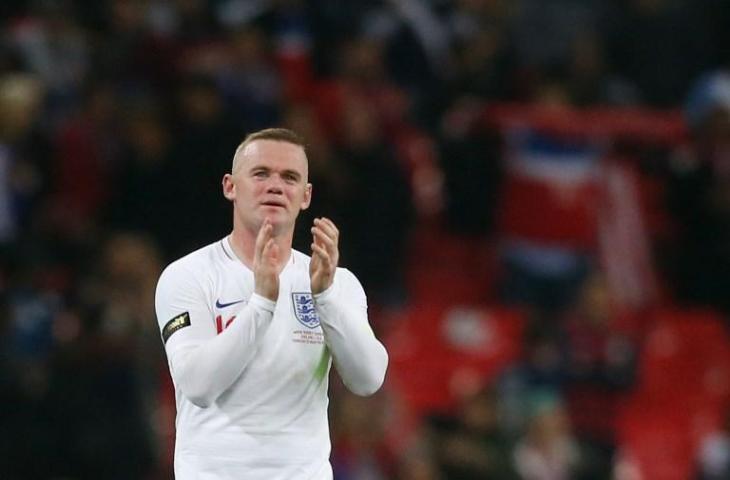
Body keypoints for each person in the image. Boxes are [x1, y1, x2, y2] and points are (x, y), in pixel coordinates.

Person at [154, 127, 389, 479]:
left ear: (306, 195)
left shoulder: (337, 283)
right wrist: (262, 304)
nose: (276, 186)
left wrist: (324, 298)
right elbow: (199, 386)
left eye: (290, 177)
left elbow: (368, 379)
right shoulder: (189, 276)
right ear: (230, 186)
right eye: (261, 173)